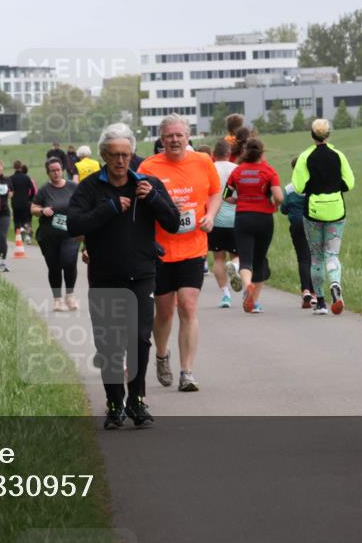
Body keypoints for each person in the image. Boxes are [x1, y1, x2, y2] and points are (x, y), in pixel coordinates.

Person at [67, 123, 180, 430]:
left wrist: (154, 199)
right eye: (114, 155)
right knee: (110, 344)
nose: (120, 161)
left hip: (142, 274)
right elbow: (74, 225)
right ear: (104, 155)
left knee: (140, 340)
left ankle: (137, 400)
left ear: (133, 155)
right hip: (104, 276)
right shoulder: (90, 188)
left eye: (126, 155)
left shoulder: (148, 183)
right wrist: (110, 208)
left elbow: (173, 223)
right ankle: (115, 403)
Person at [139, 114, 221, 392]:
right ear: (161, 140)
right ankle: (162, 355)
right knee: (164, 313)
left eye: (179, 135)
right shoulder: (149, 167)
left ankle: (187, 372)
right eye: (169, 136)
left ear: (188, 137)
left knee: (188, 306)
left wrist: (210, 215)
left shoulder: (202, 161)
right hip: (161, 252)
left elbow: (215, 192)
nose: (174, 140)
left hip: (193, 247)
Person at [292, 118, 355, 315]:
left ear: (312, 135)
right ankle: (335, 284)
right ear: (328, 135)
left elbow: (298, 187)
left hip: (313, 212)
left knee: (316, 257)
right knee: (332, 254)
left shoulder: (305, 157)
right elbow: (350, 183)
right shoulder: (339, 155)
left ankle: (320, 302)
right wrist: (336, 188)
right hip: (336, 209)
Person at [224, 138, 283, 313]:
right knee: (259, 259)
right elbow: (279, 196)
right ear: (262, 153)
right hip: (264, 219)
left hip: (243, 217)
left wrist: (236, 200)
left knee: (245, 258)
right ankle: (254, 301)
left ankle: (247, 285)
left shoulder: (237, 171)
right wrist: (275, 206)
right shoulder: (269, 171)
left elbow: (225, 195)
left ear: (245, 152)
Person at [32, 158, 80, 311]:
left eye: (58, 169)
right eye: (52, 170)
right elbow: (33, 208)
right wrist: (41, 211)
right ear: (48, 173)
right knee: (54, 267)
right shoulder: (44, 190)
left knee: (69, 261)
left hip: (70, 234)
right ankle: (57, 299)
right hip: (49, 235)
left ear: (62, 170)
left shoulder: (73, 187)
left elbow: (84, 204)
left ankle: (70, 296)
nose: (56, 173)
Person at [208, 139, 242, 307]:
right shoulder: (236, 169)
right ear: (229, 153)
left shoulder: (210, 169)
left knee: (218, 258)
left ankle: (225, 294)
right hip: (235, 219)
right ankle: (235, 266)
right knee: (237, 255)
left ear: (214, 154)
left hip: (215, 219)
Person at [281, 157, 316, 308]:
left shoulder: (289, 188)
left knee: (303, 258)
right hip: (313, 223)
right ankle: (315, 293)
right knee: (315, 258)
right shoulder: (314, 185)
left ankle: (306, 291)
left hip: (296, 224)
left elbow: (283, 209)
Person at [10, 160, 36, 245]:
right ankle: (28, 237)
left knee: (17, 220)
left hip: (15, 202)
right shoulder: (26, 177)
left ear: (14, 167)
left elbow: (9, 190)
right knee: (27, 220)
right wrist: (30, 198)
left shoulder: (11, 178)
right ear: (21, 167)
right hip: (25, 202)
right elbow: (32, 189)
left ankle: (19, 236)